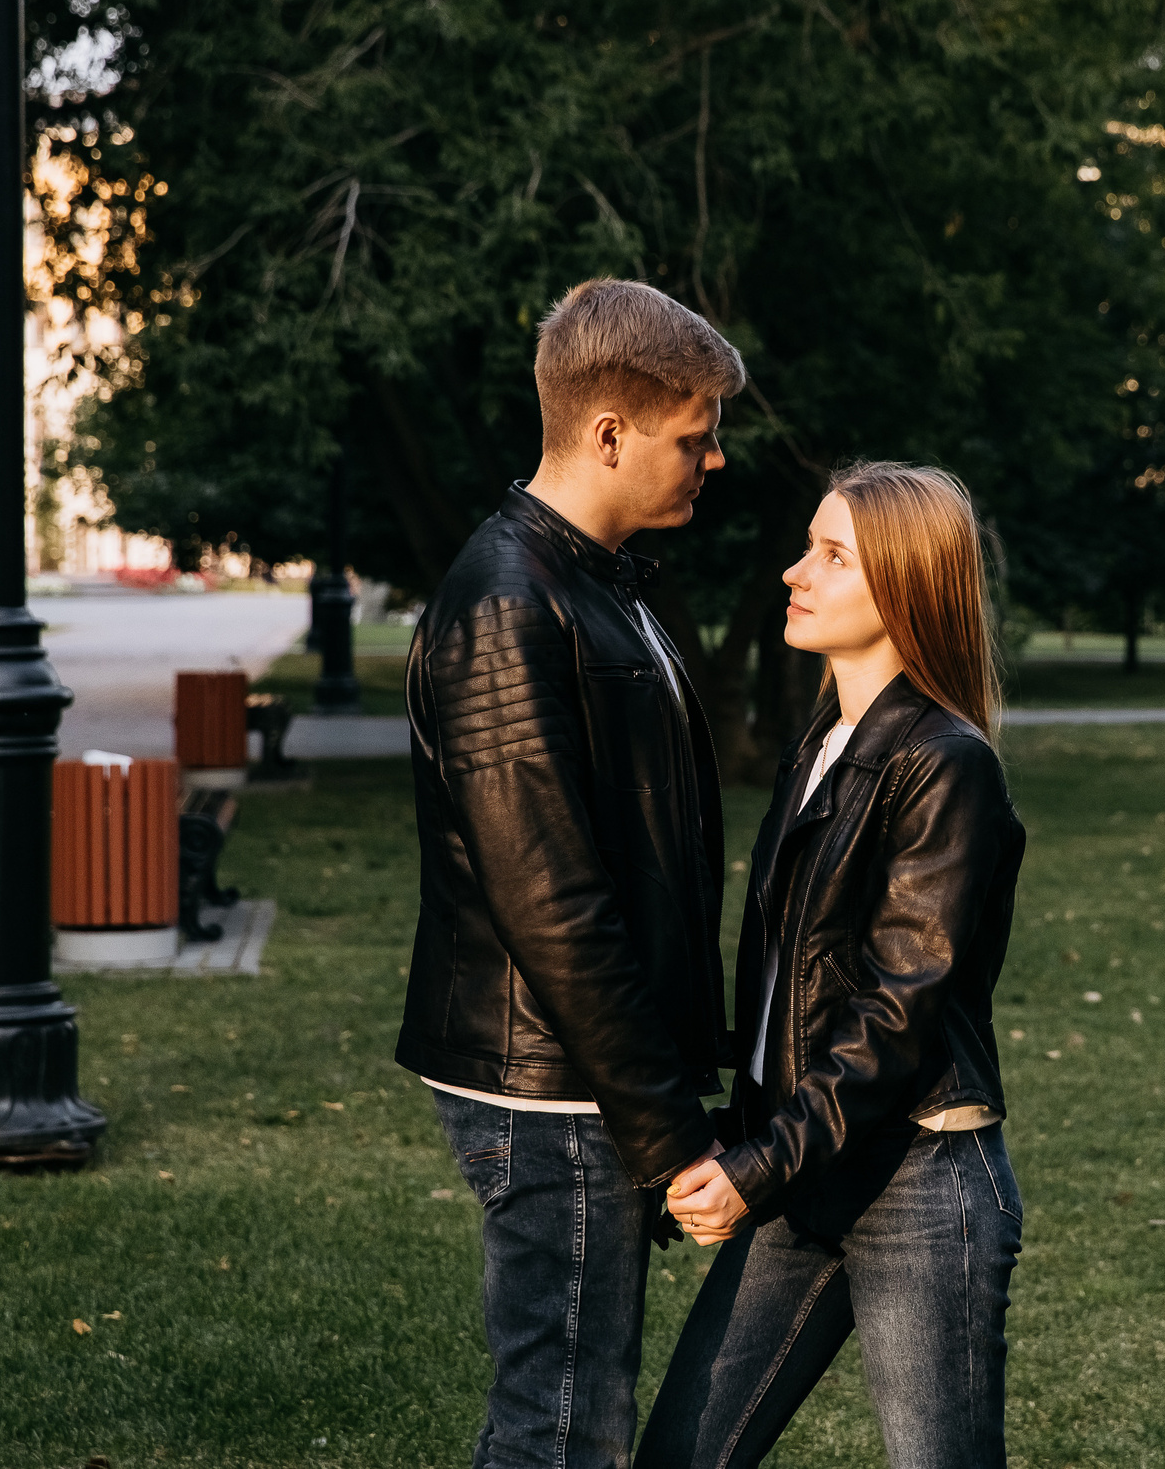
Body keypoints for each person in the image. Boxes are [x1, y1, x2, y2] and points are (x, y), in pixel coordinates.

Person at [395, 278, 745, 1469]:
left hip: (587, 1079)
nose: (712, 461)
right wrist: (663, 1129)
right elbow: (548, 897)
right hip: (556, 1091)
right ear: (608, 433)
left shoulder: (596, 582)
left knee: (574, 1409)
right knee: (561, 1427)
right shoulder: (509, 600)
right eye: (693, 438)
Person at [641, 462, 1027, 1469]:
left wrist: (752, 1167)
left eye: (831, 555)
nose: (792, 572)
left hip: (914, 1179)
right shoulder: (822, 741)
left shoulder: (945, 762)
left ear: (904, 586)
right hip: (803, 1164)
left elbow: (897, 1012)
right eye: (807, 545)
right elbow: (788, 985)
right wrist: (726, 1134)